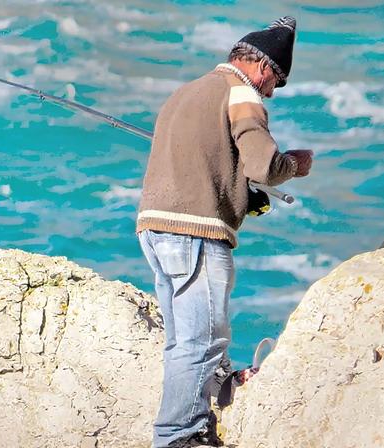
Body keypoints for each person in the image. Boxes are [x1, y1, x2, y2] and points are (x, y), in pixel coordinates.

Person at [136, 16, 313, 448]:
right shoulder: (242, 93)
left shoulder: (185, 93)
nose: (271, 93)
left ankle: (210, 397)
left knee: (182, 341)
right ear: (264, 68)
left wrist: (241, 196)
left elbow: (203, 167)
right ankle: (179, 436)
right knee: (203, 340)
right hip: (195, 234)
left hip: (154, 230)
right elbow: (264, 165)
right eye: (276, 84)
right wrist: (294, 164)